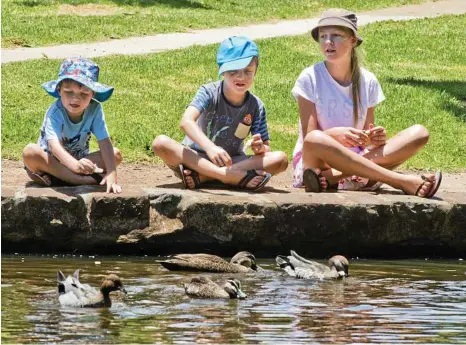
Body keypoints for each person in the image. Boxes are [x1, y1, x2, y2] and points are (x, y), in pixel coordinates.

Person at [291, 8, 441, 197]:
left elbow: (365, 139)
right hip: (318, 164)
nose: (328, 42)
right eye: (323, 36)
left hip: (355, 161)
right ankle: (400, 181)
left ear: (353, 41)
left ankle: (337, 176)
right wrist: (335, 135)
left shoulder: (368, 81)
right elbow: (309, 140)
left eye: (336, 35)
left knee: (419, 133)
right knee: (316, 139)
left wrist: (373, 139)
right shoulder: (309, 78)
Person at [152, 36, 288, 191]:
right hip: (195, 158)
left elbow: (266, 149)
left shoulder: (256, 105)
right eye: (233, 71)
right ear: (222, 71)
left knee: (280, 159)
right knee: (160, 143)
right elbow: (186, 122)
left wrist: (260, 148)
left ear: (256, 71)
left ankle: (207, 176)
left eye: (248, 71)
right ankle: (227, 177)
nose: (241, 77)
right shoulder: (208, 92)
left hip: (232, 160)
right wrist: (210, 148)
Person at [22, 57, 122, 193]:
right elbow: (54, 146)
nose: (76, 98)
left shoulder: (95, 109)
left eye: (84, 93)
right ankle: (80, 180)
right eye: (69, 92)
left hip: (79, 162)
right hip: (51, 164)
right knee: (30, 152)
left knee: (115, 154)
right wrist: (75, 166)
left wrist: (111, 173)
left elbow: (104, 141)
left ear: (93, 94)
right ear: (59, 90)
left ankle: (66, 179)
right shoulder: (55, 112)